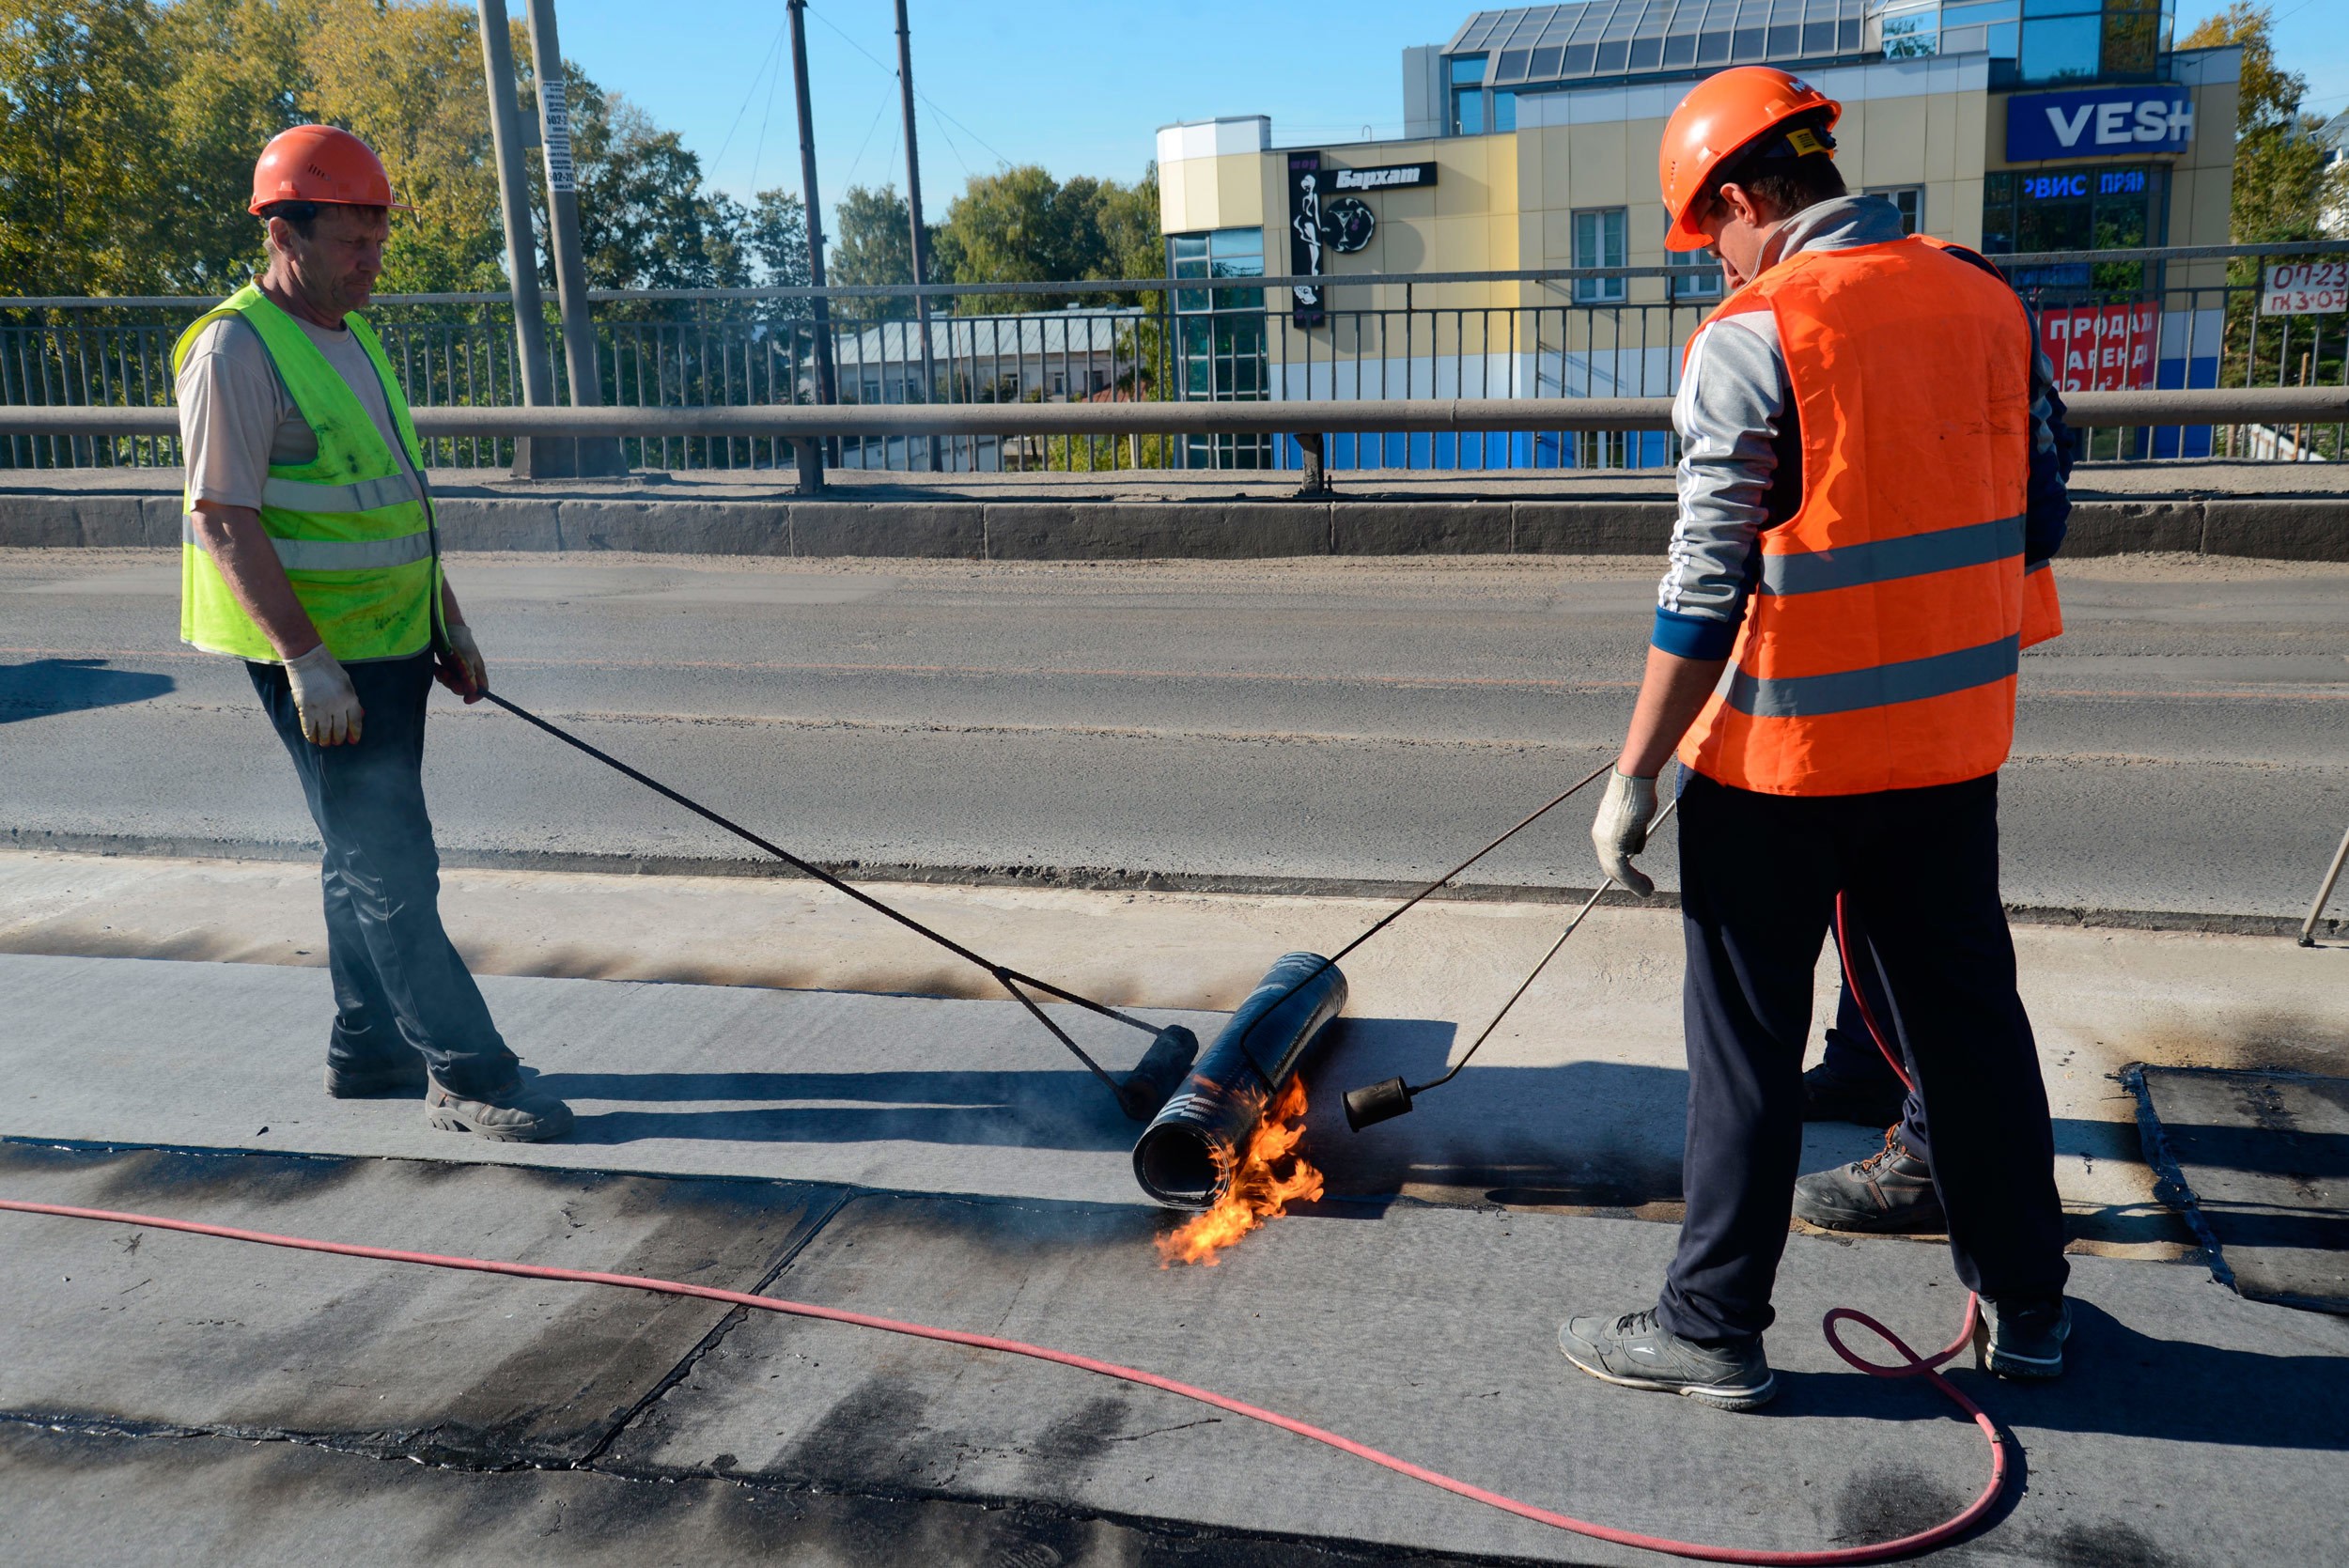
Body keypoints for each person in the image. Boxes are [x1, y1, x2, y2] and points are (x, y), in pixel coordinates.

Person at [1556, 67, 2075, 1410]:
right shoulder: (1986, 297)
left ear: (1741, 200)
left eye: (1704, 235)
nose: (1707, 265)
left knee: (1744, 1042)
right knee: (1968, 1026)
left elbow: (1704, 580)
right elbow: (2041, 508)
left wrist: (1634, 773)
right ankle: (2029, 1314)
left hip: (1782, 767)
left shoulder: (1755, 331)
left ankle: (1712, 1327)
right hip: (1953, 748)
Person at [175, 124, 572, 1141]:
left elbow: (392, 498)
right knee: (388, 862)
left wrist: (449, 620)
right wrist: (308, 662)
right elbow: (223, 515)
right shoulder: (236, 350)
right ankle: (470, 1071)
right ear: (283, 231)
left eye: (377, 237)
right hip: (320, 658)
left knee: (364, 853)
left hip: (392, 646)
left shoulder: (347, 336)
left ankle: (370, 1048)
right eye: (351, 238)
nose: (371, 259)